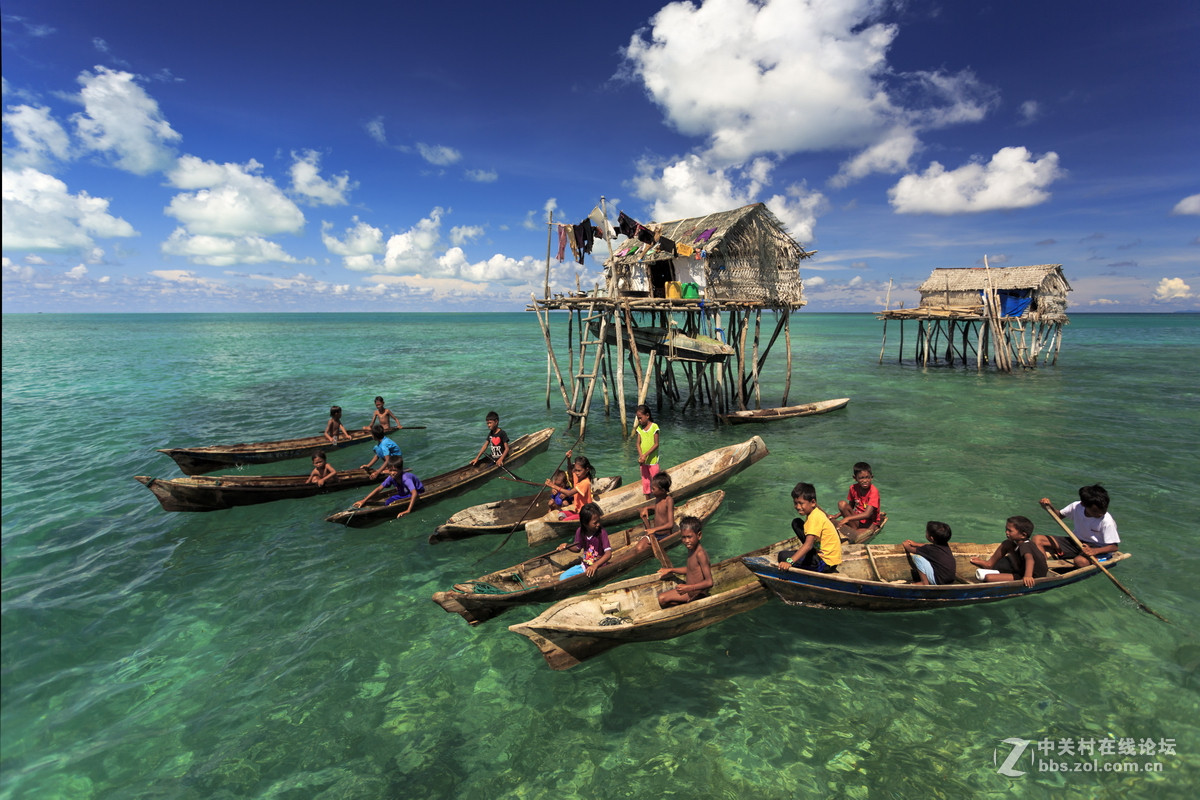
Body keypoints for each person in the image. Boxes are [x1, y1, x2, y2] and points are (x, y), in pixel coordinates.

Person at [1032, 485, 1120, 567]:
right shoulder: (1076, 506)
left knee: (1080, 561)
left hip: (1097, 548)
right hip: (1075, 541)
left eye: (1104, 510)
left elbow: (1114, 547)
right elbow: (1059, 516)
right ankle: (1042, 566)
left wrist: (1094, 551)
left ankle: (1095, 559)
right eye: (1095, 511)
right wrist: (1048, 507)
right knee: (1037, 539)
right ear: (1083, 505)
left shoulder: (1107, 521)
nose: (1101, 514)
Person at [776, 482, 842, 574]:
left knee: (782, 556)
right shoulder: (815, 512)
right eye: (795, 503)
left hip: (826, 563)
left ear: (813, 502)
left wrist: (789, 562)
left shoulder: (814, 518)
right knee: (796, 523)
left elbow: (808, 545)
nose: (798, 507)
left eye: (801, 503)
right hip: (822, 555)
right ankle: (808, 555)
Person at [969, 516, 1047, 587]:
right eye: (1006, 529)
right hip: (1022, 567)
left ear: (1023, 535)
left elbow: (1030, 559)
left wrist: (1027, 576)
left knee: (989, 578)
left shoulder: (1025, 546)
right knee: (1007, 543)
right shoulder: (1022, 542)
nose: (1006, 532)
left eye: (1010, 531)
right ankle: (989, 564)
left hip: (1032, 576)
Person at [656, 516, 713, 607]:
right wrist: (671, 570)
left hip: (696, 593)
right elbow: (691, 569)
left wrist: (689, 587)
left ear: (699, 535)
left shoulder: (700, 554)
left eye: (689, 537)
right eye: (683, 537)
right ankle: (686, 603)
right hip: (689, 591)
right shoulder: (691, 548)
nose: (686, 541)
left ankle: (689, 603)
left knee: (662, 599)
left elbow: (709, 582)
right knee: (662, 599)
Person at [554, 502, 612, 580]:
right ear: (585, 523)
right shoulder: (580, 531)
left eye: (599, 521)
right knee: (563, 577)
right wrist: (567, 546)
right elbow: (577, 548)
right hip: (585, 566)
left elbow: (608, 554)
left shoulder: (601, 532)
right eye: (595, 523)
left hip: (599, 566)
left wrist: (595, 565)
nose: (598, 524)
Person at [351, 461, 425, 518]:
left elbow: (414, 493)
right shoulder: (391, 477)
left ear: (400, 470)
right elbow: (379, 489)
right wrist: (364, 500)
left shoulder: (406, 478)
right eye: (390, 470)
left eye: (395, 470)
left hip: (418, 492)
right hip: (404, 493)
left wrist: (408, 510)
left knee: (395, 501)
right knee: (388, 501)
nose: (392, 473)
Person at [831, 462, 882, 532]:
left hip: (870, 522)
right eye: (861, 478)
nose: (865, 481)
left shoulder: (874, 492)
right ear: (855, 478)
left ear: (871, 477)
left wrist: (847, 519)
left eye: (867, 477)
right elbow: (850, 507)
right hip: (857, 519)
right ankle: (854, 529)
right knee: (841, 504)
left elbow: (867, 514)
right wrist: (836, 516)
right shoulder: (853, 488)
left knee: (859, 534)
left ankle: (855, 531)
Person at [902, 521, 956, 585]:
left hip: (938, 581)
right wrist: (916, 544)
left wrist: (906, 545)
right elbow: (928, 546)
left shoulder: (929, 549)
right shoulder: (945, 546)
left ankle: (924, 582)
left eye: (927, 532)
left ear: (931, 538)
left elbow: (911, 549)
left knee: (917, 557)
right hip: (949, 580)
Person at [636, 472, 675, 554]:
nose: (651, 491)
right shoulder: (658, 498)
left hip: (664, 536)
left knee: (640, 549)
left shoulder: (669, 500)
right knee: (638, 548)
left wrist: (653, 529)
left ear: (662, 490)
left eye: (653, 489)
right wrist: (647, 508)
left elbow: (670, 524)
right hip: (654, 534)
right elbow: (658, 508)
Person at [547, 455, 595, 521]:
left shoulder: (585, 482)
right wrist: (568, 459)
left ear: (587, 470)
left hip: (585, 513)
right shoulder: (578, 476)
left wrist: (553, 486)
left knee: (564, 520)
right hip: (577, 511)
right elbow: (570, 470)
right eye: (576, 470)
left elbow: (569, 493)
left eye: (579, 471)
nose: (577, 473)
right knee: (561, 514)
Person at [634, 404, 661, 497]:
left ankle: (658, 496)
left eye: (640, 418)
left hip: (652, 461)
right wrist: (641, 456)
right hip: (643, 461)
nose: (639, 420)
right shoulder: (639, 428)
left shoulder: (654, 427)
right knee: (645, 481)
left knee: (656, 480)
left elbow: (656, 444)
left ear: (647, 415)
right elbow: (638, 444)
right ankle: (647, 498)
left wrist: (645, 455)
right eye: (638, 418)